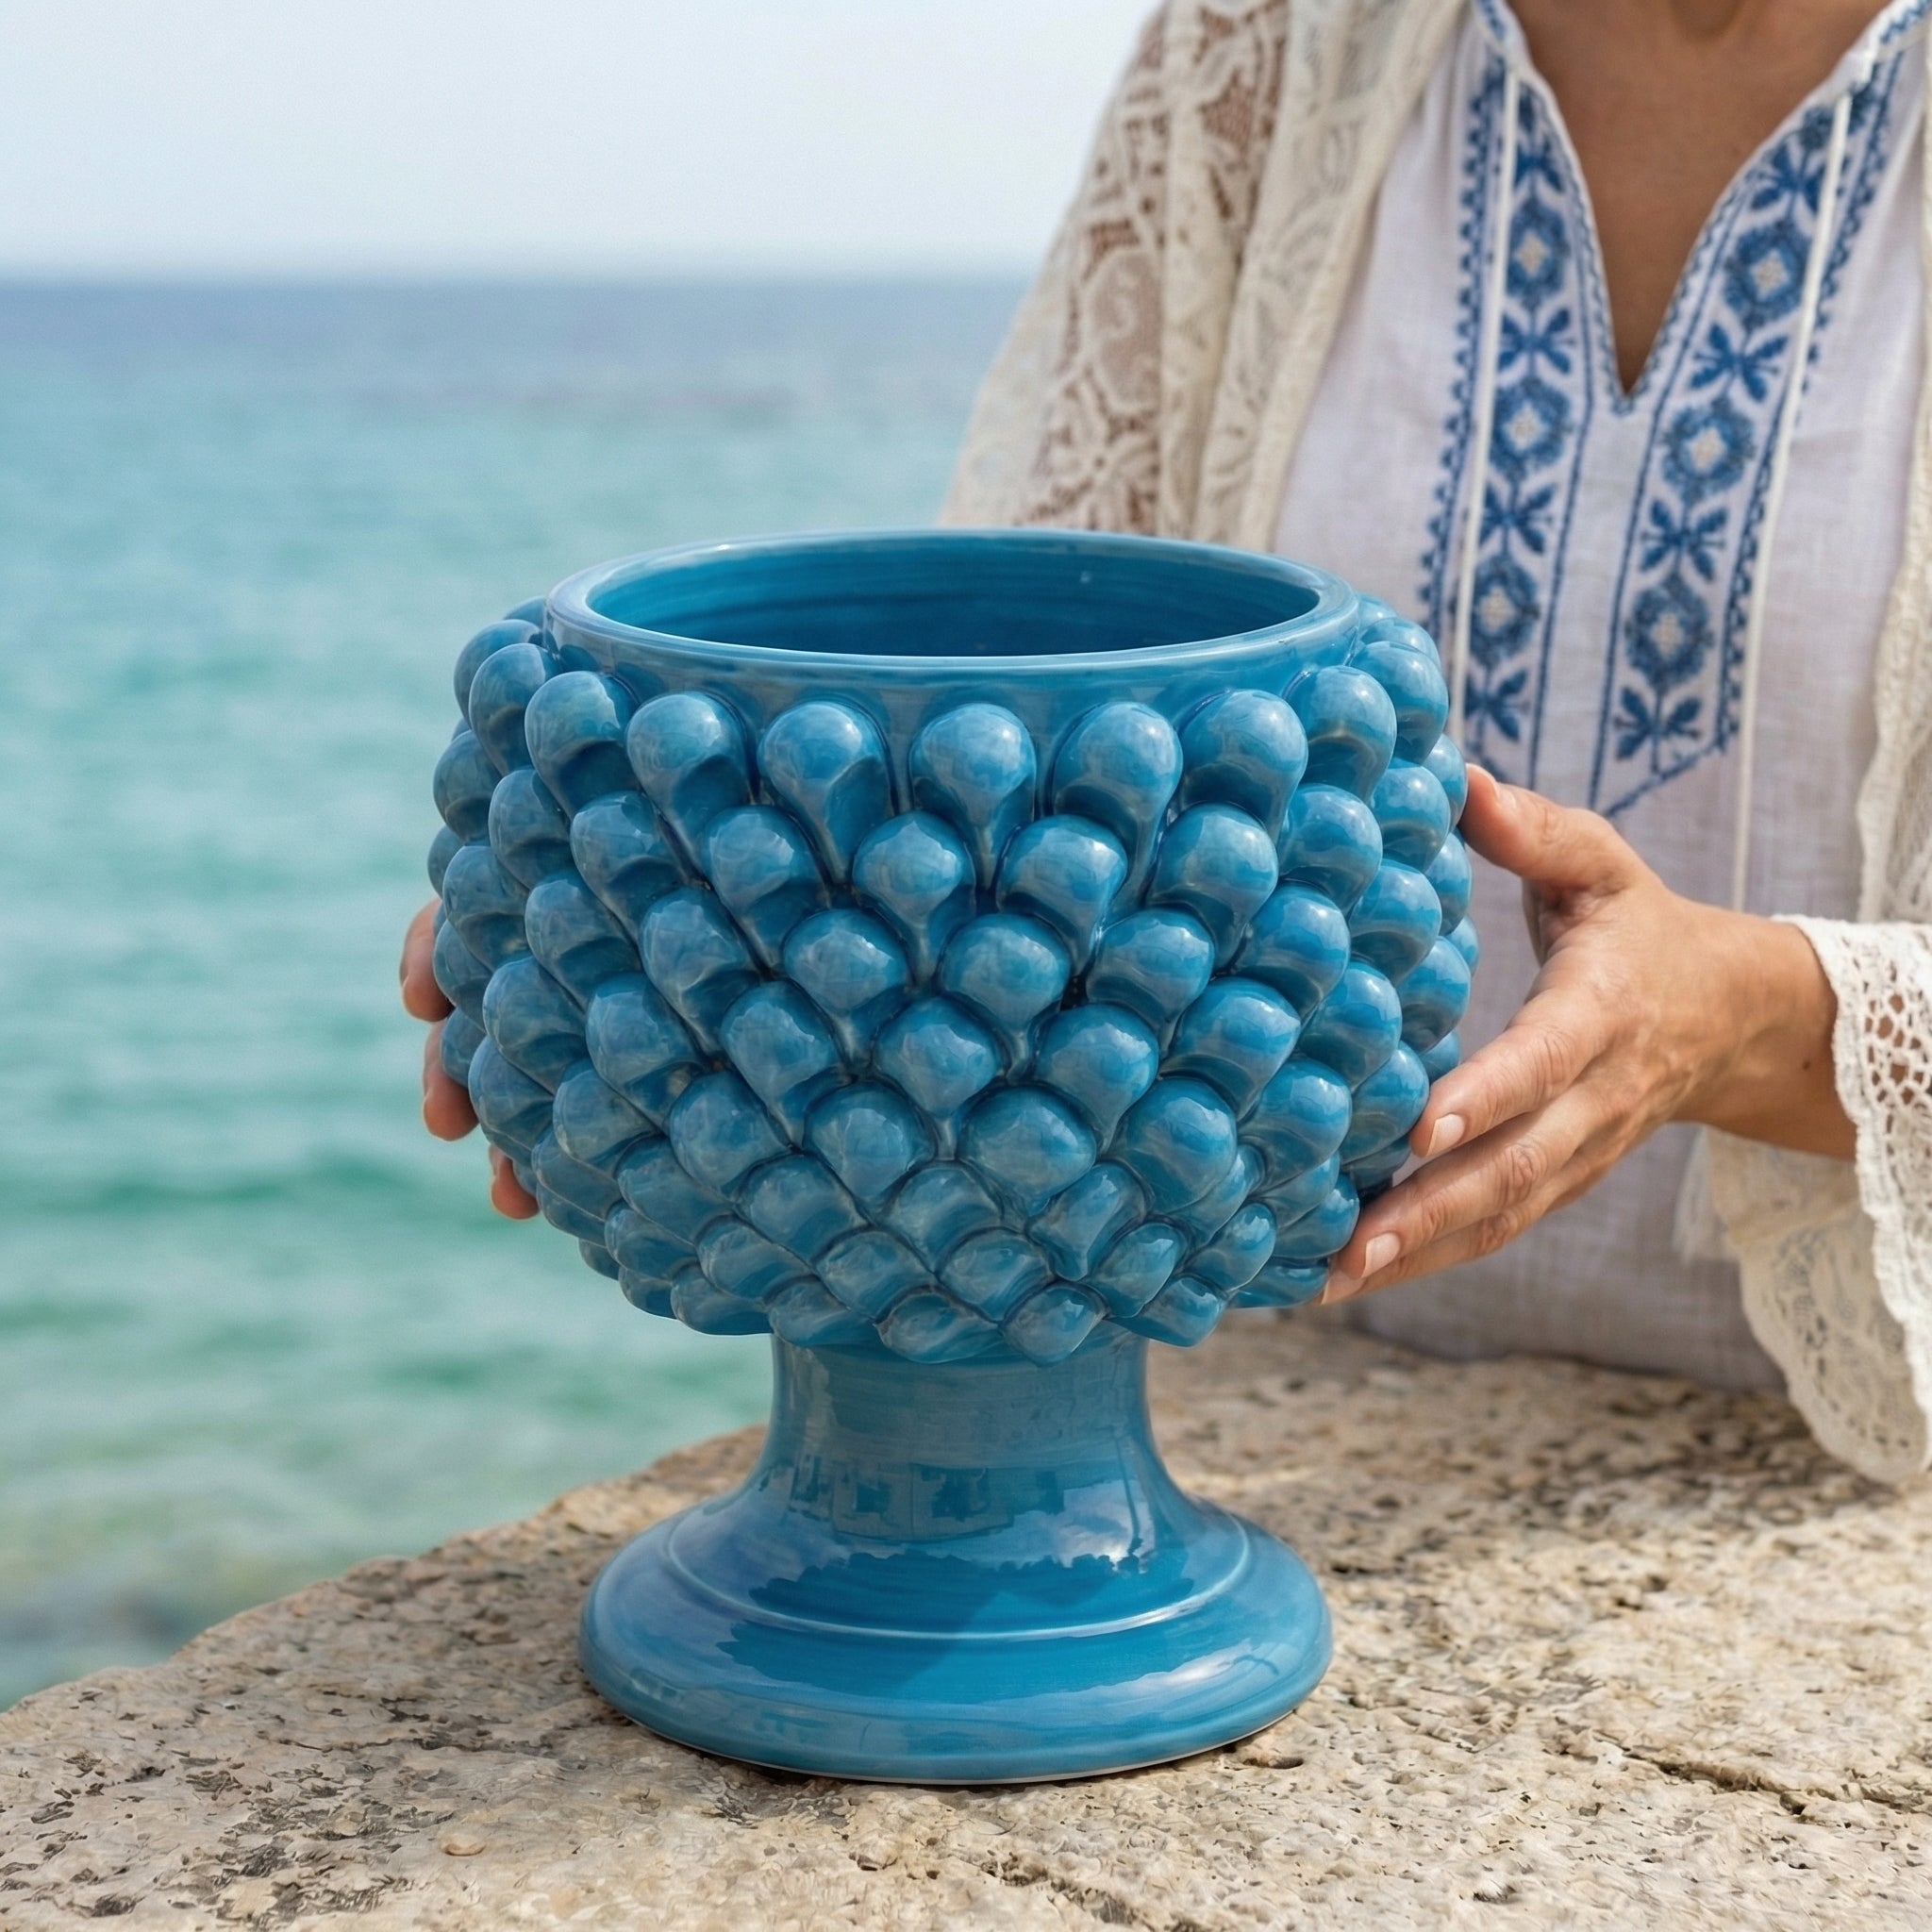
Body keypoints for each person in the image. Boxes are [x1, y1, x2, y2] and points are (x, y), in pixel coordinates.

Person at [403, 0, 1932, 1482]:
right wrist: (626, 873)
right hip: (1246, 1389)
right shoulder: (1262, 47)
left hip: (1848, 1475)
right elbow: (993, 729)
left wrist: (1742, 1015)